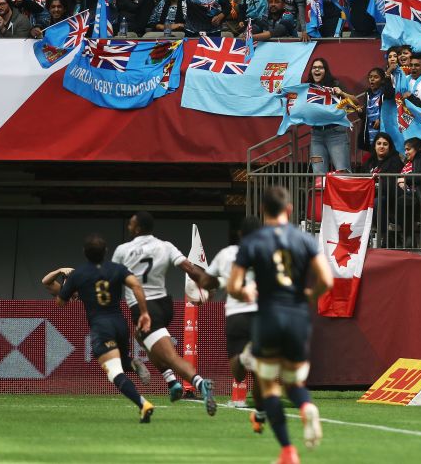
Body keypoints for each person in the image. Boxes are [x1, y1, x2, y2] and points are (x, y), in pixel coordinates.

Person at [228, 186, 333, 464]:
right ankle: (307, 405)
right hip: (297, 316)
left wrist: (245, 292)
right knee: (294, 381)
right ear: (289, 210)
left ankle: (287, 451)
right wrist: (310, 295)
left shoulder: (253, 241)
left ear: (263, 212)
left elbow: (233, 285)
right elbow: (327, 279)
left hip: (268, 317)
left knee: (269, 386)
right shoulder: (304, 239)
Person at [112, 211, 217, 414]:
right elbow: (191, 269)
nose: (128, 226)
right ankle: (172, 383)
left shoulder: (123, 250)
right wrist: (210, 286)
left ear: (138, 228)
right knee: (141, 337)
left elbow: (112, 277)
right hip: (164, 305)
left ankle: (200, 383)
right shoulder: (165, 245)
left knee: (170, 356)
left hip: (144, 309)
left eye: (131, 224)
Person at [42, 234, 155, 422]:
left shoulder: (78, 274)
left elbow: (60, 303)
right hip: (120, 323)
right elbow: (136, 285)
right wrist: (144, 312)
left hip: (101, 327)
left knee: (115, 372)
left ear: (84, 252)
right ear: (106, 252)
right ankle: (133, 364)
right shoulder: (117, 269)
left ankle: (144, 404)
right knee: (122, 362)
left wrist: (71, 287)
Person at [185, 216, 267, 430]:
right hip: (262, 315)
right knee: (260, 372)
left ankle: (243, 359)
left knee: (239, 373)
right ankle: (260, 412)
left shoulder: (227, 254)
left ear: (240, 234)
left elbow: (206, 280)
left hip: (237, 316)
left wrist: (209, 286)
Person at [306, 58, 352, 174]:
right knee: (318, 176)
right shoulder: (307, 88)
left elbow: (353, 103)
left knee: (342, 174)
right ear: (311, 71)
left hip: (336, 134)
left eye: (320, 67)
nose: (317, 70)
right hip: (316, 136)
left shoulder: (334, 84)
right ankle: (321, 193)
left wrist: (341, 93)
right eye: (314, 67)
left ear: (326, 70)